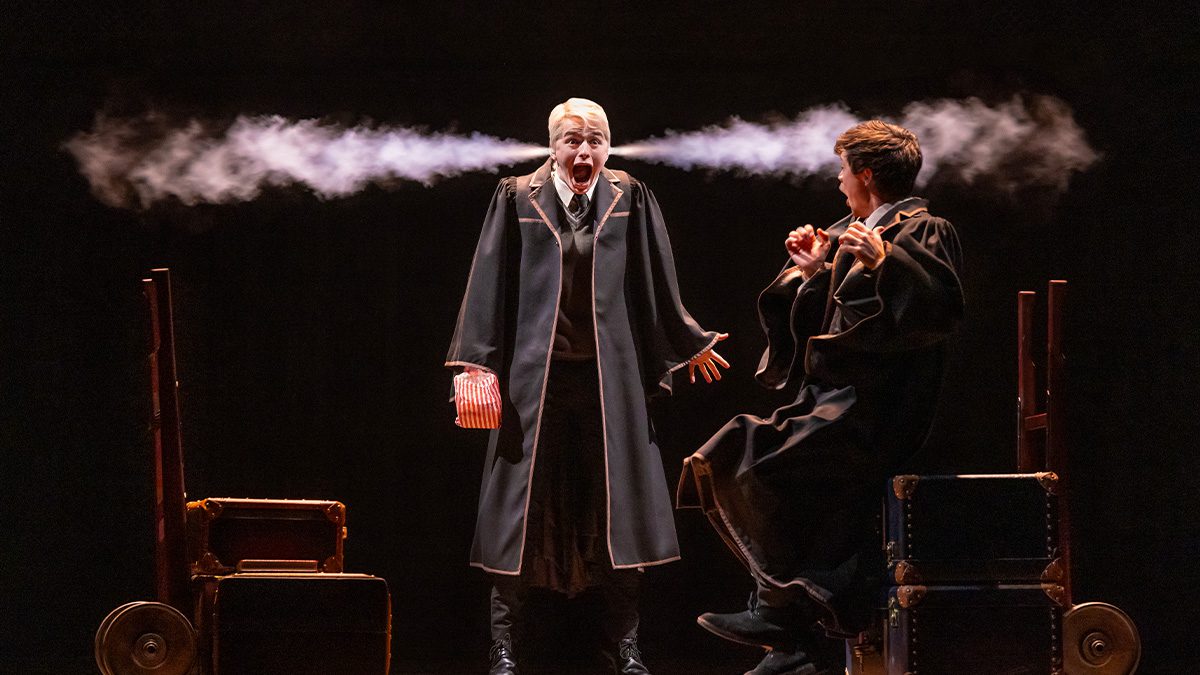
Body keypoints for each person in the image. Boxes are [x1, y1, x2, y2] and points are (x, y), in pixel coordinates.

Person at [446, 97, 729, 675]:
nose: (584, 150)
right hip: (534, 384)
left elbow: (654, 276)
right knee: (517, 513)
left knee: (619, 510)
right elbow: (488, 280)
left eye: (595, 140)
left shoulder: (630, 196)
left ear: (609, 145)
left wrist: (686, 338)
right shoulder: (516, 196)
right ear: (553, 146)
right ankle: (503, 647)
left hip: (609, 382)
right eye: (572, 140)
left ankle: (626, 646)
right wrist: (476, 363)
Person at [678, 120, 964, 675]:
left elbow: (940, 313)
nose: (838, 181)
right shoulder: (853, 235)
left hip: (878, 409)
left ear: (866, 175)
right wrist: (813, 275)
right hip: (835, 402)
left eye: (843, 171)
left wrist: (886, 262)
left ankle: (782, 616)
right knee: (737, 450)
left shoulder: (922, 229)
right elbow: (828, 326)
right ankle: (788, 634)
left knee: (758, 460)